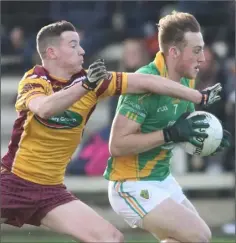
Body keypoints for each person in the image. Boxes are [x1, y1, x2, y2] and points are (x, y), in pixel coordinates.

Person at [1, 20, 222, 243]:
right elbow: (45, 109)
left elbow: (146, 81)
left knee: (111, 238)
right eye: (74, 45)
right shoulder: (35, 79)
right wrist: (86, 85)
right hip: (12, 181)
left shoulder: (93, 81)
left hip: (50, 191)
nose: (82, 50)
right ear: (52, 52)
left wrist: (199, 97)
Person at [105, 12, 231, 243]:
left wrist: (205, 139)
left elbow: (183, 128)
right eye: (196, 50)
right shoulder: (143, 83)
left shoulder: (186, 80)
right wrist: (168, 134)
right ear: (173, 52)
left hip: (161, 178)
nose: (202, 57)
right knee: (199, 235)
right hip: (131, 183)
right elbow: (117, 145)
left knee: (192, 240)